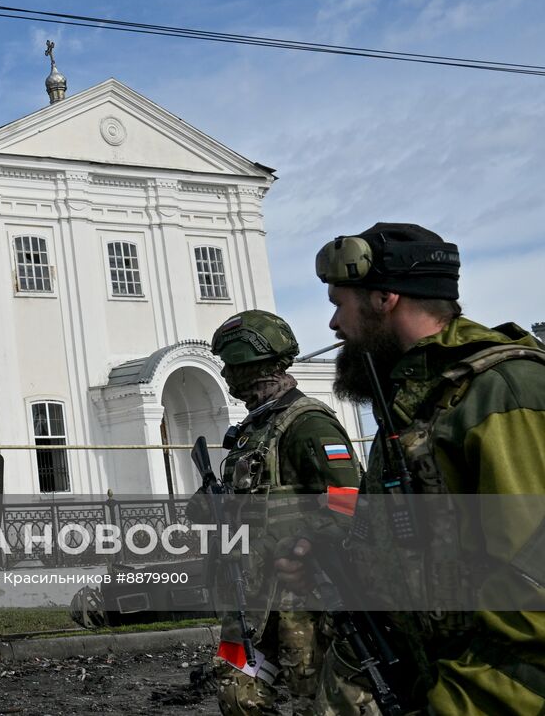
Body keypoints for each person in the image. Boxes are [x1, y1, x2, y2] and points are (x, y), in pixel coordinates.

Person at [293, 222, 545, 714]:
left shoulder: (503, 393)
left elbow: (533, 598)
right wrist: (328, 547)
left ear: (385, 298)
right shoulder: (414, 405)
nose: (333, 325)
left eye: (338, 304)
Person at [198, 310, 362, 716]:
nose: (226, 374)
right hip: (250, 594)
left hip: (299, 595)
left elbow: (348, 494)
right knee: (237, 693)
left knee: (314, 697)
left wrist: (312, 540)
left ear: (249, 365)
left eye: (231, 365)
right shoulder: (252, 429)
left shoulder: (307, 424)